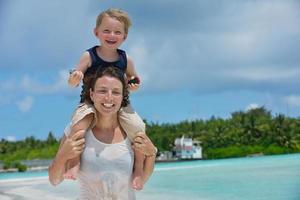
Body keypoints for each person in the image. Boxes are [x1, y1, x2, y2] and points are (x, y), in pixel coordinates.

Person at [65, 8, 146, 189]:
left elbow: (135, 80)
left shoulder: (126, 59)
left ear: (124, 37)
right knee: (77, 125)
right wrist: (74, 78)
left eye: (117, 32)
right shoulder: (89, 56)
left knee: (139, 128)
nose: (112, 35)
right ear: (96, 33)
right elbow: (73, 81)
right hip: (89, 102)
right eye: (107, 31)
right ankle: (73, 161)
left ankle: (138, 168)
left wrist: (134, 85)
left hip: (120, 104)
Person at [49, 66, 157, 199]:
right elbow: (54, 181)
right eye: (102, 91)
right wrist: (62, 156)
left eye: (116, 92)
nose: (109, 98)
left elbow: (141, 180)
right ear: (92, 94)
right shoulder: (78, 129)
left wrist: (152, 154)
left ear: (123, 97)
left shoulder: (132, 130)